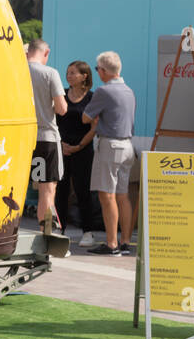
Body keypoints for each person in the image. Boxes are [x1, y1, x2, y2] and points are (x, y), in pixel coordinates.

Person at [83, 51, 137, 255]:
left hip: (110, 145)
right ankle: (125, 242)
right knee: (123, 196)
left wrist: (96, 120)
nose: (97, 73)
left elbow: (86, 118)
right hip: (128, 146)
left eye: (97, 70)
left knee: (107, 196)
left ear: (104, 71)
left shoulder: (103, 91)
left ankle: (111, 243)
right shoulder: (129, 90)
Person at [26, 40, 68, 232]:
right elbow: (62, 109)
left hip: (26, 138)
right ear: (46, 52)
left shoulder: (18, 72)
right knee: (47, 189)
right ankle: (47, 234)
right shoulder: (50, 73)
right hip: (47, 138)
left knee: (32, 186)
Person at [55, 60, 99, 246]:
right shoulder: (61, 95)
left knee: (82, 191)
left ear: (84, 76)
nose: (69, 75)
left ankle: (87, 232)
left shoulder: (92, 97)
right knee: (60, 191)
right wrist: (61, 144)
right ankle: (59, 228)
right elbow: (53, 120)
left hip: (83, 150)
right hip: (61, 148)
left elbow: (94, 126)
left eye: (73, 73)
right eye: (68, 72)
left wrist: (79, 146)